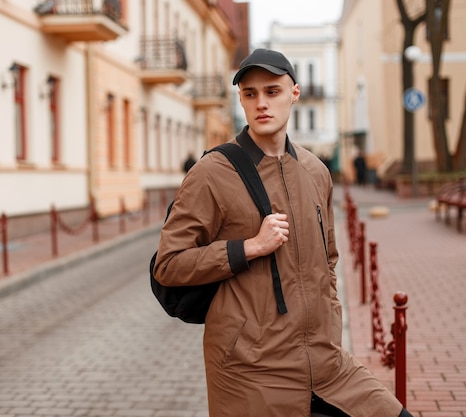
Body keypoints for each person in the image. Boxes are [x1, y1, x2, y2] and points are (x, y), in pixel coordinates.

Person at [153, 48, 413, 417]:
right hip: (251, 369)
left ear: (294, 93)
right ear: (241, 99)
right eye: (250, 93)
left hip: (326, 363)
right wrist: (249, 247)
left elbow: (329, 259)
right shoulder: (211, 173)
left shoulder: (315, 171)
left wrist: (331, 322)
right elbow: (169, 264)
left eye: (272, 91)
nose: (261, 103)